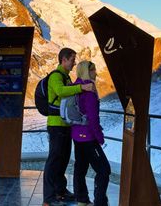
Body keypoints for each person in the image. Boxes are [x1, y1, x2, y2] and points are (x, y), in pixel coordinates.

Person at [43, 48, 95, 206]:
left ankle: (61, 191)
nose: (74, 63)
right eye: (72, 59)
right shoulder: (55, 76)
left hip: (65, 125)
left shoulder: (65, 77)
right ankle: (49, 197)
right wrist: (81, 88)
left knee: (63, 159)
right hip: (56, 125)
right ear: (64, 60)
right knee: (54, 160)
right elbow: (60, 91)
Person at [71, 61, 111, 206]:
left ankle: (81, 199)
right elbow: (93, 118)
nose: (96, 72)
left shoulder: (75, 87)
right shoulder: (89, 92)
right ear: (87, 71)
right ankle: (100, 202)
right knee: (104, 170)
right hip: (88, 136)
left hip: (76, 135)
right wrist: (99, 137)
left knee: (80, 167)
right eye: (93, 70)